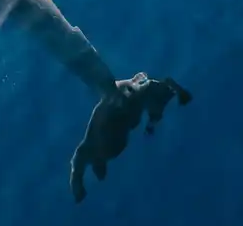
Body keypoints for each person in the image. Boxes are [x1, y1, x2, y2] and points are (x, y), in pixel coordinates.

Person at [69, 72, 193, 202]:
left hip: (114, 130)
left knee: (144, 95)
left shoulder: (134, 94)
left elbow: (158, 98)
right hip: (114, 130)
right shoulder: (121, 99)